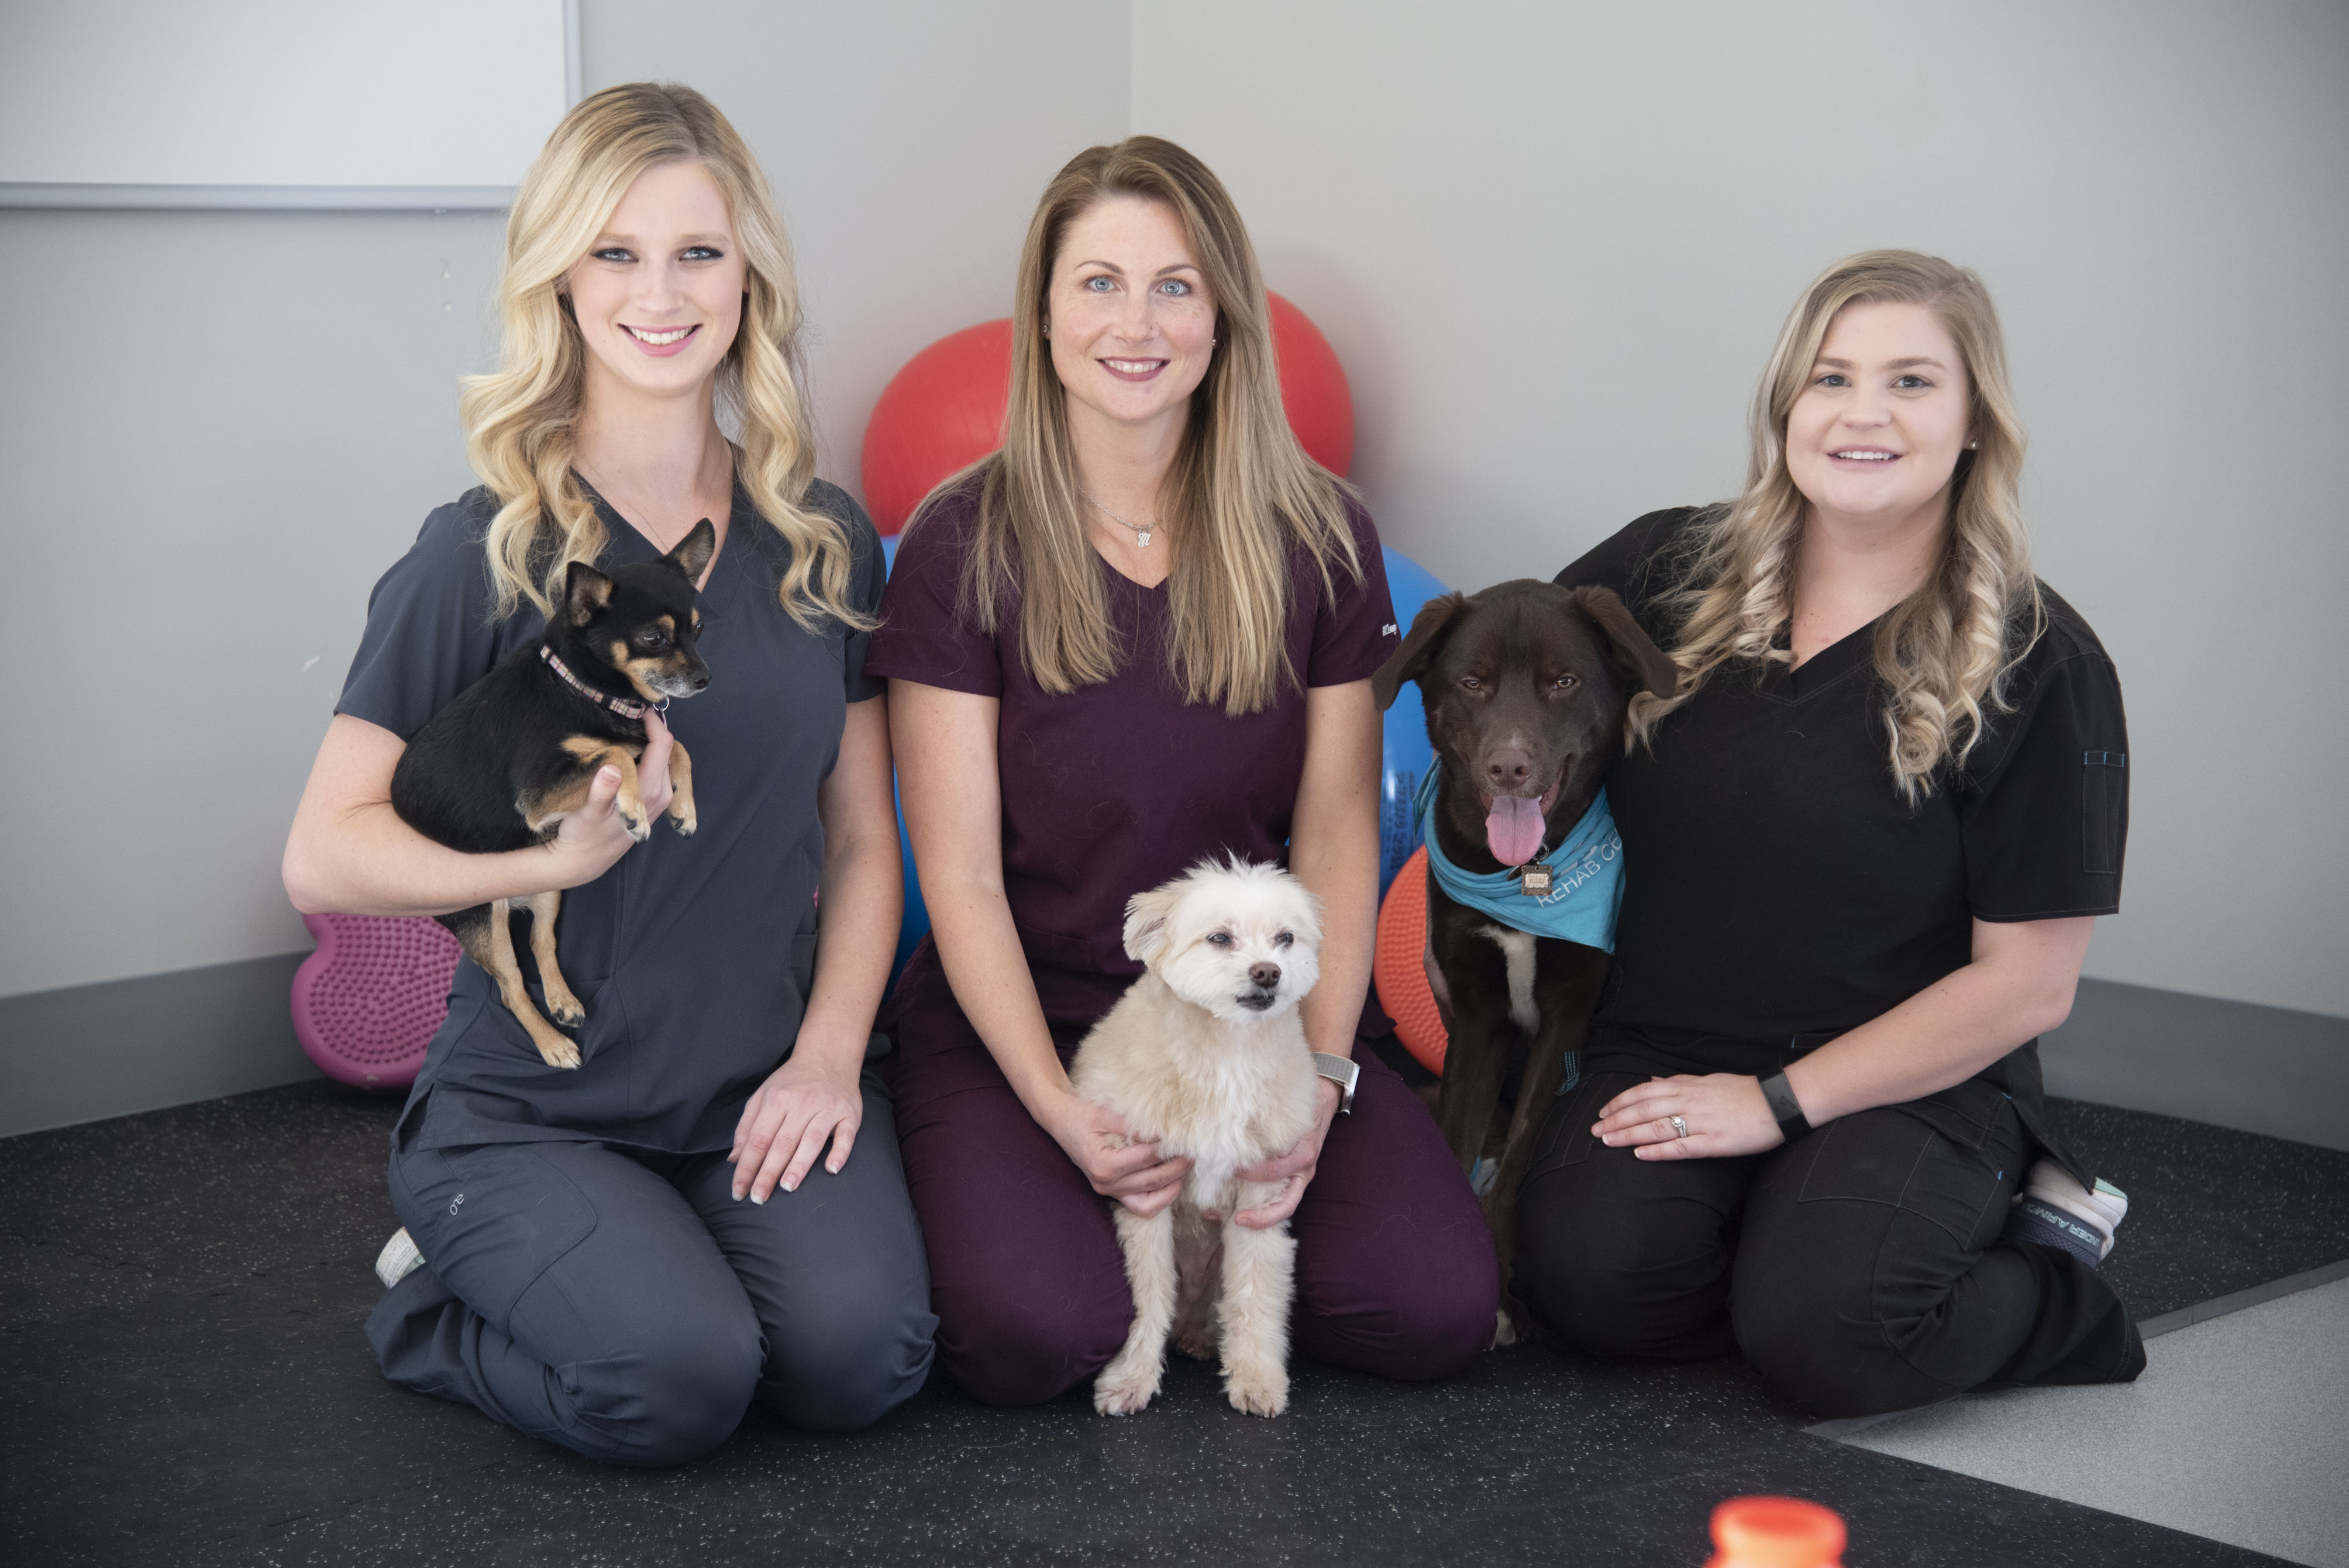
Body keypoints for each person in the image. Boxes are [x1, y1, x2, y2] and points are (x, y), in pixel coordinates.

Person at [281, 83, 935, 1466]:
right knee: (677, 1385)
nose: (661, 292)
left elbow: (865, 843)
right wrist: (544, 864)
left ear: (747, 276)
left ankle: (654, 1250)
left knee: (861, 1363)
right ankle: (438, 1306)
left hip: (753, 1083)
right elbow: (325, 851)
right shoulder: (484, 553)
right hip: (532, 1110)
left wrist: (826, 1061)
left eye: (698, 252)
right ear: (559, 280)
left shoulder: (821, 543)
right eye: (615, 253)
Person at [870, 136, 1498, 1405]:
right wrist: (1059, 1112)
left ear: (1223, 314)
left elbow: (1333, 832)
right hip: (1038, 1025)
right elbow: (961, 877)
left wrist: (1319, 1078)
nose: (1135, 322)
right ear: (1041, 316)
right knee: (1041, 1334)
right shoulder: (959, 542)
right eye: (1097, 283)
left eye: (1174, 285)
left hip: (1262, 1024)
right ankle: (965, 1168)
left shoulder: (1319, 535)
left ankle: (1226, 1257)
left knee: (1429, 1312)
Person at [1516, 250, 2143, 1417]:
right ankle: (1796, 1237)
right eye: (1830, 378)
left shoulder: (2041, 661)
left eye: (1910, 383)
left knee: (1832, 1333)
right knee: (1587, 1286)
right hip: (1664, 1043)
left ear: (1971, 425)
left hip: (1915, 1074)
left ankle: (2053, 1268)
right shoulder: (1664, 568)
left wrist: (1775, 1108)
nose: (1863, 413)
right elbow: (1508, 685)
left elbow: (2024, 990)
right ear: (1785, 408)